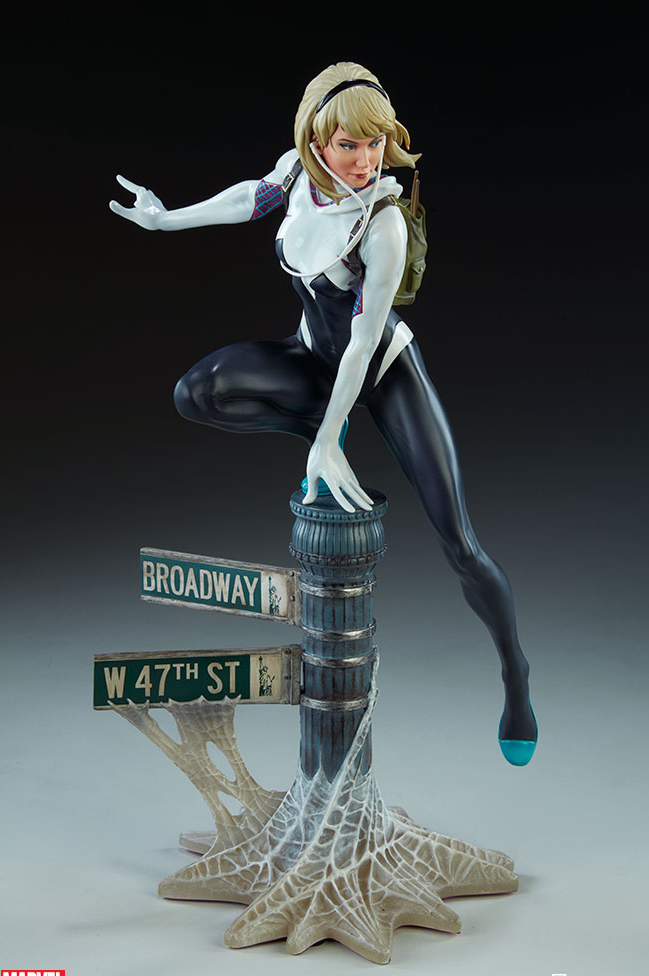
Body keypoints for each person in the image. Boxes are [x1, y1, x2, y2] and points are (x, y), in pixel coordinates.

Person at [110, 61, 538, 765]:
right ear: (315, 142)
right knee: (198, 392)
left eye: (375, 144)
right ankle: (320, 439)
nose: (366, 161)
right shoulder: (296, 175)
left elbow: (364, 342)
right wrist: (165, 220)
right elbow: (250, 198)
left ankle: (515, 675)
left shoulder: (382, 222)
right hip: (312, 358)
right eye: (348, 145)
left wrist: (335, 431)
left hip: (384, 373)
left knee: (460, 543)